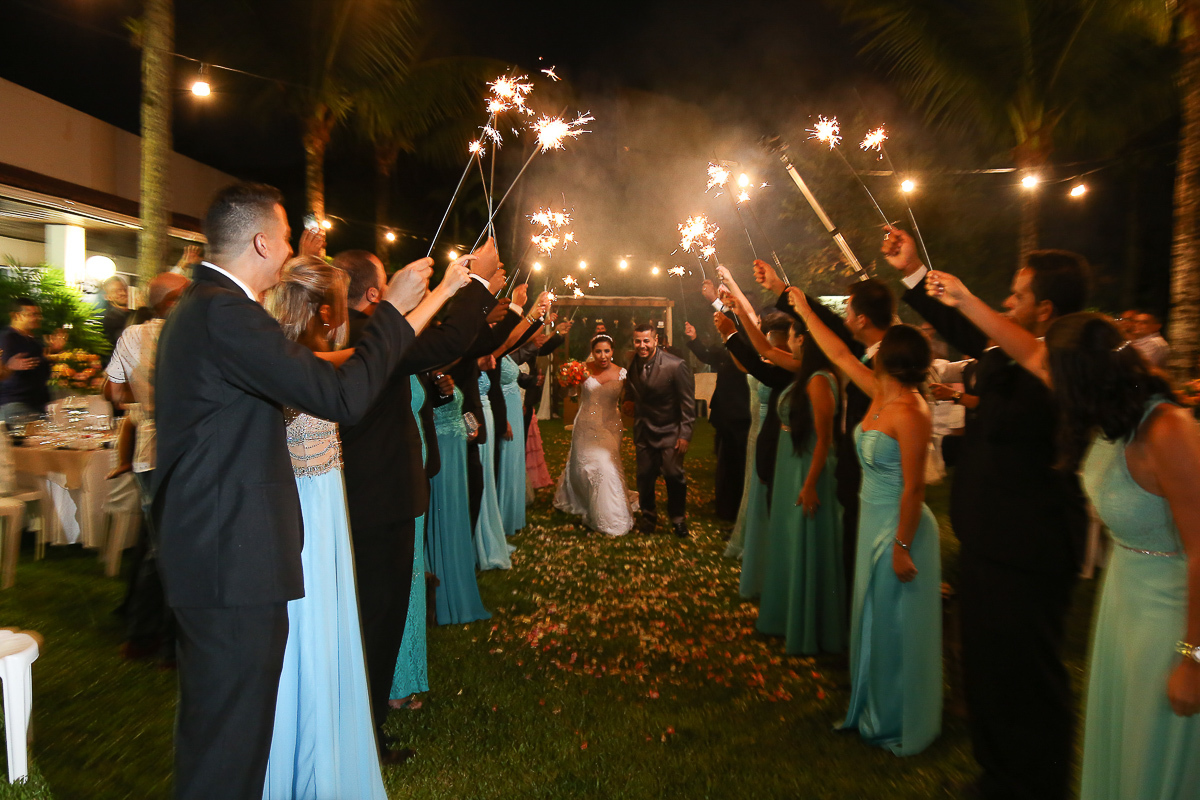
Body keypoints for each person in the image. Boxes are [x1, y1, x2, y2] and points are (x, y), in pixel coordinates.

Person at [153, 182, 452, 800]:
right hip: (229, 563)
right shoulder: (223, 313)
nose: (290, 251)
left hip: (222, 555)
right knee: (227, 747)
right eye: (286, 238)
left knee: (226, 737)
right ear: (261, 242)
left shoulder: (205, 307)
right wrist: (391, 312)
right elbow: (339, 396)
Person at [922, 271, 1200, 799]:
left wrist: (1194, 657)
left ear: (1087, 379)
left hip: (1173, 615)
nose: (1050, 386)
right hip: (1123, 602)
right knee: (1119, 742)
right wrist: (963, 298)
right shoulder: (1105, 404)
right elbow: (1026, 352)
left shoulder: (1168, 431)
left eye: (1058, 379)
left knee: (1156, 749)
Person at [883, 226, 1089, 798]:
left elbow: (1014, 347)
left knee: (1028, 676)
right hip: (987, 543)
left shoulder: (1068, 361)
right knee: (988, 670)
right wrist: (915, 273)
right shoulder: (1004, 356)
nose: (1006, 303)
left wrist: (966, 295)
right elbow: (963, 329)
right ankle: (997, 775)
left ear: (1045, 309)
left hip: (1032, 550)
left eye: (1017, 297)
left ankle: (1035, 783)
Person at [260, 255, 449, 799]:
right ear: (325, 311)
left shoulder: (299, 358)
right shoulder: (304, 365)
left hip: (327, 511)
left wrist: (447, 288)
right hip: (310, 519)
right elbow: (378, 352)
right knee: (318, 629)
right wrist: (418, 299)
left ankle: (331, 734)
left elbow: (386, 345)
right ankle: (314, 744)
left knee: (331, 628)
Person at [334, 242, 500, 761]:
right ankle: (366, 732)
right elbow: (446, 344)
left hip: (361, 497)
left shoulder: (352, 334)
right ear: (372, 293)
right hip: (379, 501)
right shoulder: (370, 337)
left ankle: (362, 723)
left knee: (370, 615)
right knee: (377, 618)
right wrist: (477, 282)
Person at [790, 289, 943, 755]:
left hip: (900, 527)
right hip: (871, 518)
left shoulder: (913, 411)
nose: (865, 357)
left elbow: (916, 487)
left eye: (877, 355)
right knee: (868, 617)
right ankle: (869, 703)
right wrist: (803, 309)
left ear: (892, 361)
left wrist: (901, 545)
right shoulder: (880, 391)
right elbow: (836, 350)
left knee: (893, 623)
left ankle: (895, 714)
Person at [755, 261, 893, 615]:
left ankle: (851, 620)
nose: (842, 318)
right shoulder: (863, 354)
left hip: (874, 472)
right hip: (856, 468)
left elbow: (835, 345)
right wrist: (780, 289)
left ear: (862, 319)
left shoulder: (882, 366)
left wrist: (790, 298)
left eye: (848, 310)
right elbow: (830, 332)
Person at [105, 272, 190, 665]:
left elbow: (113, 389)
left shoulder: (131, 336)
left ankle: (143, 634)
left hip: (148, 450)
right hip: (183, 449)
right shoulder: (188, 331)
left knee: (158, 545)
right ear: (171, 300)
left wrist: (139, 402)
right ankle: (167, 640)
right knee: (177, 549)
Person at [755, 316, 844, 655]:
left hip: (808, 467)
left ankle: (809, 627)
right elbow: (763, 348)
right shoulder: (802, 371)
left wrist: (809, 484)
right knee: (788, 541)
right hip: (791, 463)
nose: (787, 340)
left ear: (803, 339)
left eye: (792, 335)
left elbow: (825, 439)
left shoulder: (820, 380)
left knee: (805, 540)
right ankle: (788, 615)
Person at [426, 372, 491, 625]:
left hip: (456, 449)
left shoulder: (448, 367)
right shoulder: (427, 373)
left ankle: (455, 579)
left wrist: (468, 424)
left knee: (456, 517)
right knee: (443, 515)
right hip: (441, 451)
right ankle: (440, 591)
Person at [554, 334, 635, 535]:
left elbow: (629, 398)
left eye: (606, 351)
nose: (602, 355)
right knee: (583, 465)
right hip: (585, 425)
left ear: (612, 351)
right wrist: (569, 382)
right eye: (598, 351)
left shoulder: (622, 373)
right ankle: (584, 498)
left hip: (610, 426)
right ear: (593, 352)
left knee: (606, 465)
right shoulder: (582, 369)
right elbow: (570, 394)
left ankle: (612, 515)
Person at [621, 323, 696, 538]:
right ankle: (648, 516)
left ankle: (678, 519)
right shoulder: (631, 362)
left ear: (656, 340)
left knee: (674, 475)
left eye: (646, 341)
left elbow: (687, 404)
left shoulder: (675, 365)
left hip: (670, 430)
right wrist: (628, 400)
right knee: (644, 476)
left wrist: (685, 434)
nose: (642, 345)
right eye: (638, 341)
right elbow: (630, 386)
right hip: (644, 430)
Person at [687, 281, 751, 523]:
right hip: (724, 414)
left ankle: (732, 508)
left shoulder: (746, 344)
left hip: (740, 413)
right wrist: (693, 339)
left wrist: (715, 300)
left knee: (736, 464)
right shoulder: (725, 348)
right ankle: (724, 503)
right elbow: (705, 354)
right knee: (724, 461)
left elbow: (741, 323)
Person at [0, 298, 56, 424]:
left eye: (38, 314)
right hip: (16, 405)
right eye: (32, 314)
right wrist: (9, 367)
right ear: (16, 316)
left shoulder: (32, 340)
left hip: (38, 403)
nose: (38, 318)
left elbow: (39, 366)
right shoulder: (7, 339)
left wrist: (53, 351)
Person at [100, 275, 132, 352]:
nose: (123, 293)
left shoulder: (135, 314)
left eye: (125, 289)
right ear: (108, 296)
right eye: (117, 291)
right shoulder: (109, 320)